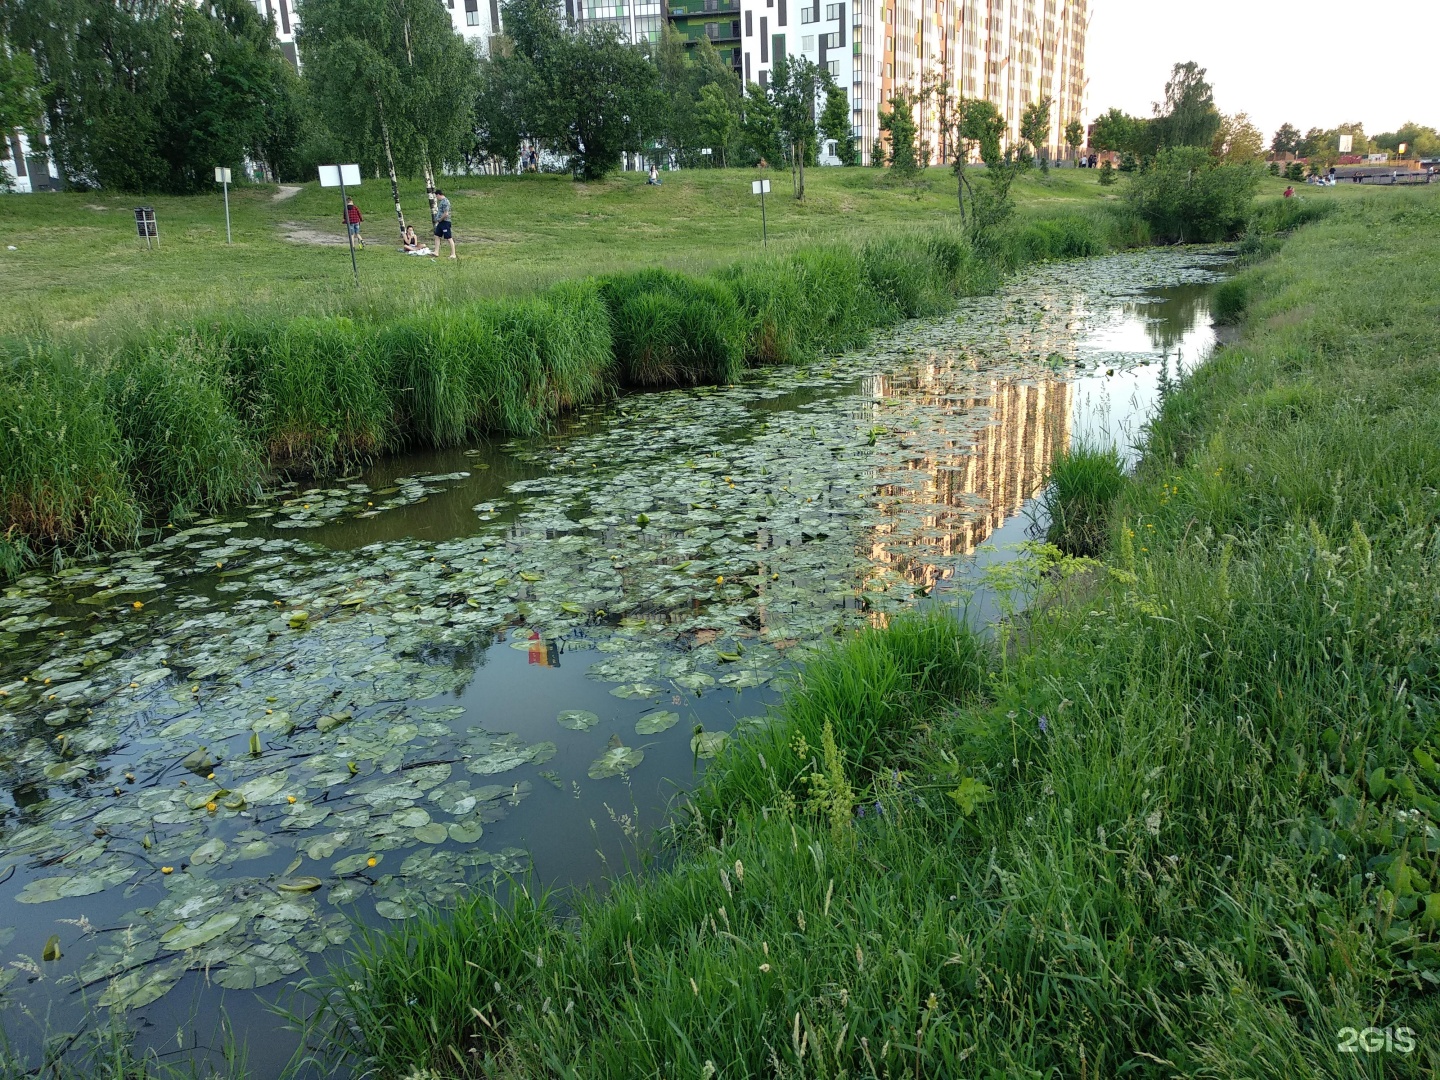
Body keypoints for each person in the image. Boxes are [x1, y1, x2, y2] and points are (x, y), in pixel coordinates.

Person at [432, 188, 455, 259]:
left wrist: (440, 219)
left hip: (445, 222)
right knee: (437, 235)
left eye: (436, 196)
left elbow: (446, 213)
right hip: (441, 223)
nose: (436, 198)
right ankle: (436, 252)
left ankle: (453, 254)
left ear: (438, 195)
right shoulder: (441, 202)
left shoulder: (445, 202)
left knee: (449, 238)